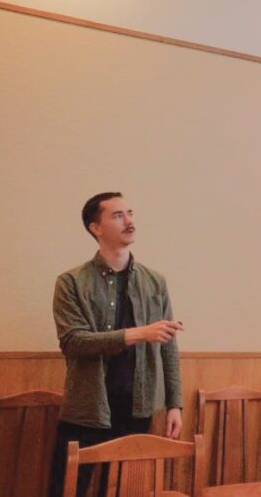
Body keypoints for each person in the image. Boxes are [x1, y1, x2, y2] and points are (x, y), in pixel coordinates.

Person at [48, 192, 184, 497]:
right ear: (96, 228)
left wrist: (174, 404)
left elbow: (168, 347)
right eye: (118, 215)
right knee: (65, 489)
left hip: (138, 408)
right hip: (87, 406)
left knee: (122, 490)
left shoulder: (155, 281)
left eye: (130, 213)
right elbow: (73, 341)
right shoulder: (71, 282)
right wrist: (138, 333)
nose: (129, 221)